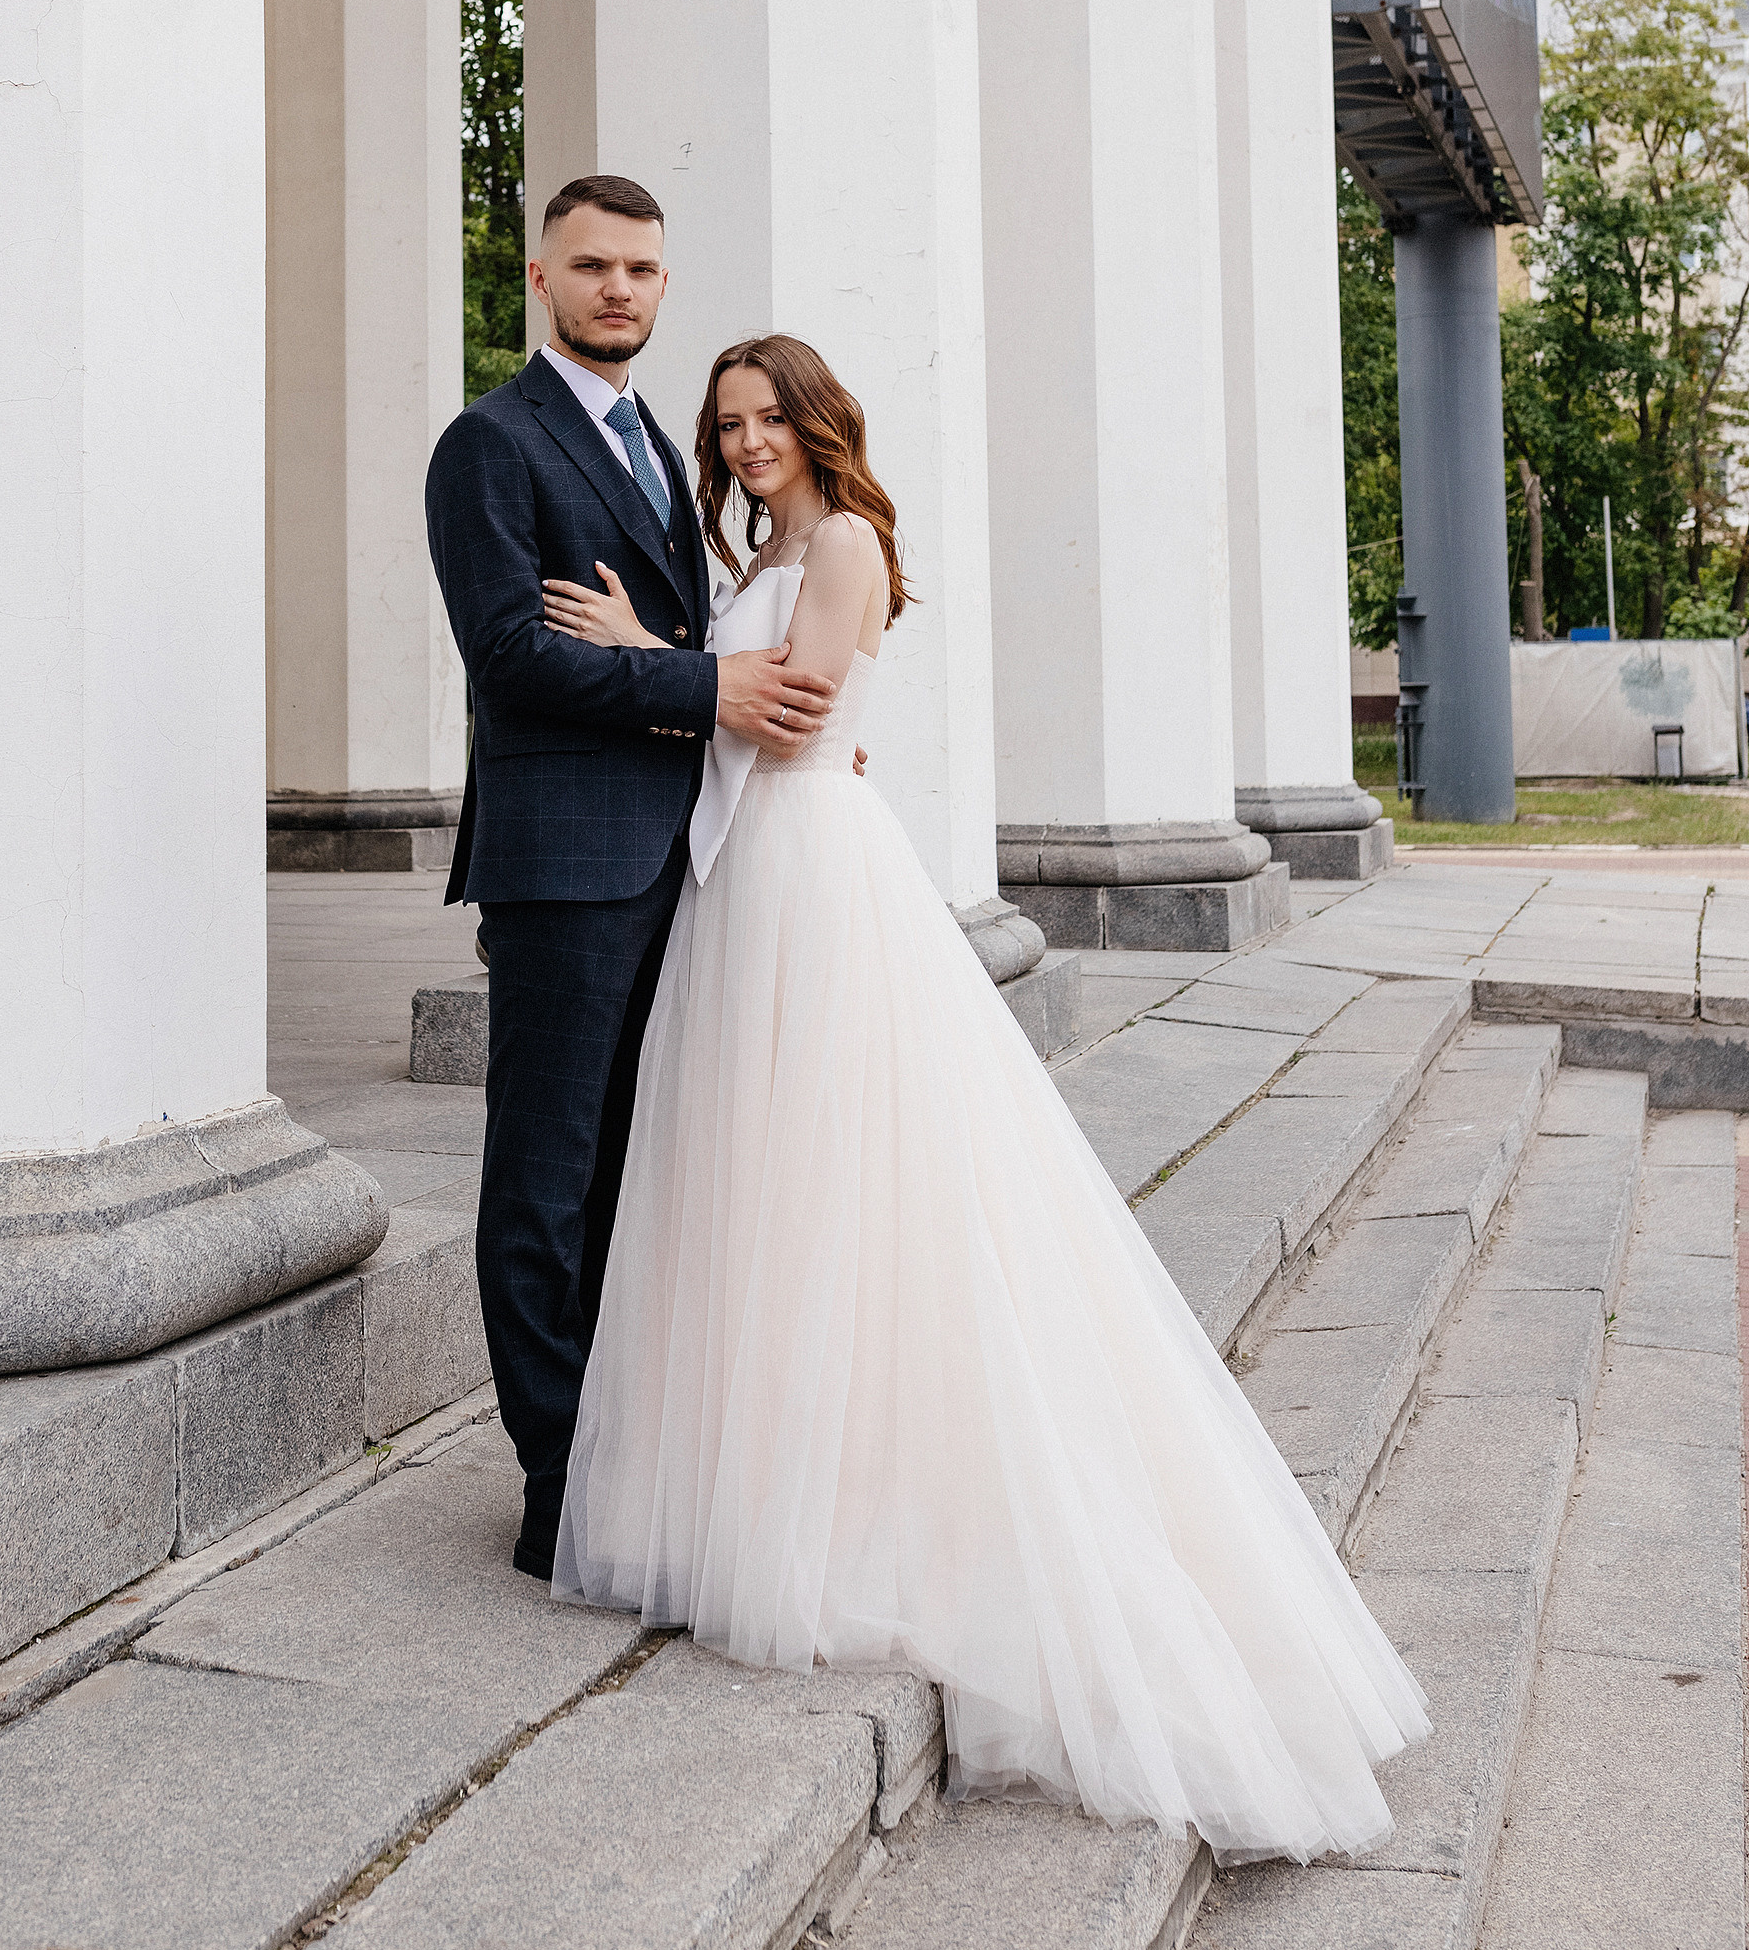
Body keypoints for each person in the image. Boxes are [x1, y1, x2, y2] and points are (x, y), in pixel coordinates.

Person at [539, 333, 1430, 1862]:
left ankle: (847, 1500)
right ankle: (768, 1478)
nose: (749, 443)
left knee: (834, 1174)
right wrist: (687, 658)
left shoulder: (848, 542)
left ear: (824, 423)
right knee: (762, 1183)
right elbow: (768, 700)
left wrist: (637, 657)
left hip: (807, 873)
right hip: (752, 876)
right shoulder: (773, 545)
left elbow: (798, 720)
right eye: (729, 424)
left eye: (771, 419)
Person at [424, 181, 844, 1582]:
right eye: (593, 266)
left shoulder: (666, 446)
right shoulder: (491, 444)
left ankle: (629, 1461)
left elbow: (692, 633)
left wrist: (705, 676)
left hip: (686, 858)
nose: (620, 290)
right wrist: (704, 681)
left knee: (634, 1175)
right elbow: (512, 660)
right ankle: (558, 1489)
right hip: (563, 867)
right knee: (544, 1183)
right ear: (540, 274)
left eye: (644, 270)